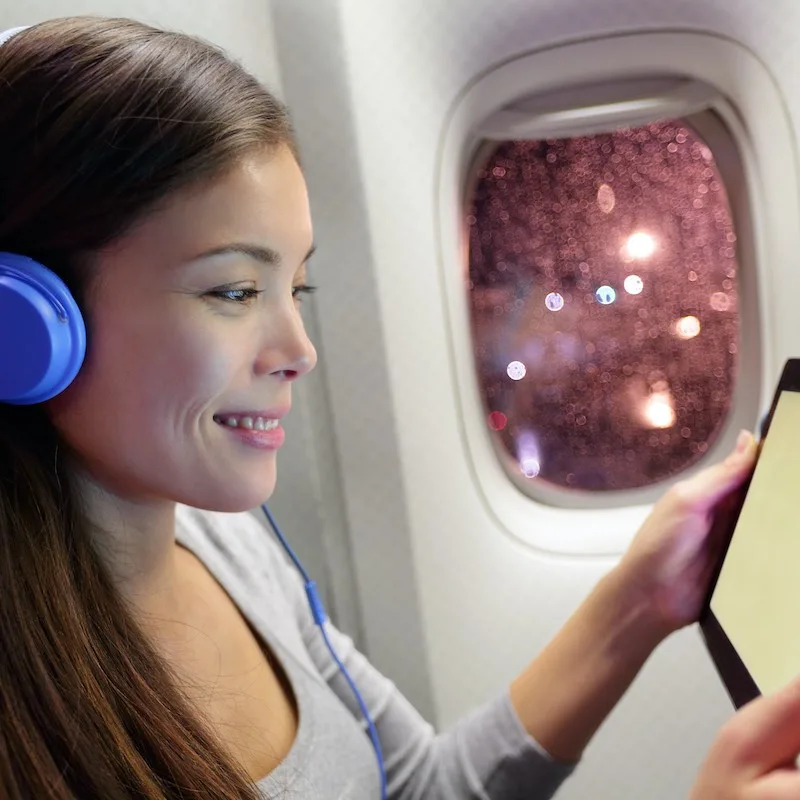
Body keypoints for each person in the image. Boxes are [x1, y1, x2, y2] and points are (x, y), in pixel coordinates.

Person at [0, 15, 791, 800]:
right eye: (236, 290)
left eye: (296, 287)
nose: (299, 350)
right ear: (25, 325)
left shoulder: (228, 546)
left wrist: (640, 599)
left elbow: (417, 790)